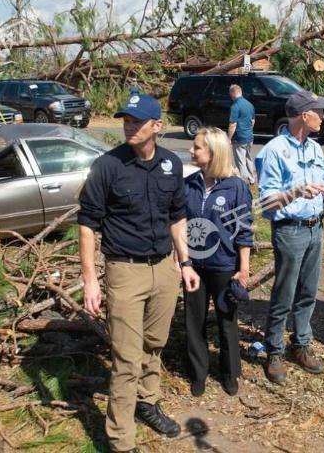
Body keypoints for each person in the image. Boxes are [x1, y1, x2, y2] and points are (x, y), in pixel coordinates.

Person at [78, 94, 200, 453]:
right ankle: (120, 440)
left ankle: (147, 402)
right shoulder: (107, 166)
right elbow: (87, 225)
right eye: (125, 120)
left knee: (155, 344)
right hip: (124, 271)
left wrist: (186, 262)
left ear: (157, 127)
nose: (129, 126)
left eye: (137, 121)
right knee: (126, 359)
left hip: (164, 268)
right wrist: (89, 280)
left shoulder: (170, 165)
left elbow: (177, 216)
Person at [256, 90, 324, 384]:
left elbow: (321, 191)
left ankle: (300, 344)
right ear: (304, 115)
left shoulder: (314, 148)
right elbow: (266, 204)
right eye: (319, 112)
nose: (323, 116)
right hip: (289, 230)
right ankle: (274, 351)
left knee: (308, 293)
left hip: (315, 228)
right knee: (284, 294)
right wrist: (295, 192)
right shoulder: (273, 151)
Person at [184, 126, 254, 397]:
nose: (192, 150)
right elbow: (179, 225)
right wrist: (182, 261)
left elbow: (244, 232)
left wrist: (243, 269)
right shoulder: (188, 185)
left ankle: (229, 372)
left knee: (227, 321)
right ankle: (198, 373)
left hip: (224, 265)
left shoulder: (236, 188)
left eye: (197, 147)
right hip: (194, 267)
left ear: (214, 153)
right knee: (194, 320)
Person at [228, 84, 256, 184]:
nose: (230, 96)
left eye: (230, 94)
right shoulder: (250, 104)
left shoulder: (235, 106)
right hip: (249, 137)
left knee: (240, 161)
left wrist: (229, 138)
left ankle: (245, 182)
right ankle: (252, 178)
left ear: (233, 93)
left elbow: (233, 125)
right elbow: (253, 121)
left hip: (239, 138)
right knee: (248, 158)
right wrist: (248, 131)